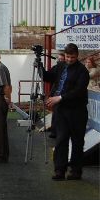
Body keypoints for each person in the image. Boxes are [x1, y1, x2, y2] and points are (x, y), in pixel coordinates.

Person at [40, 43, 90, 180]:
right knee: (61, 140)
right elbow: (47, 76)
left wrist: (59, 98)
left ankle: (75, 171)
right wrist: (39, 65)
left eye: (72, 57)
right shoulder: (60, 66)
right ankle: (59, 170)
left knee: (77, 142)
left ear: (77, 56)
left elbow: (78, 91)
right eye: (67, 56)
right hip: (61, 111)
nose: (69, 59)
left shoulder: (82, 71)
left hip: (77, 111)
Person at [48, 52, 66, 138]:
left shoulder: (66, 69)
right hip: (55, 92)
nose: (59, 61)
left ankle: (57, 131)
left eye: (61, 59)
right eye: (58, 59)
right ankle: (54, 131)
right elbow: (49, 78)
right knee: (55, 113)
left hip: (61, 95)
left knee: (59, 114)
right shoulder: (55, 68)